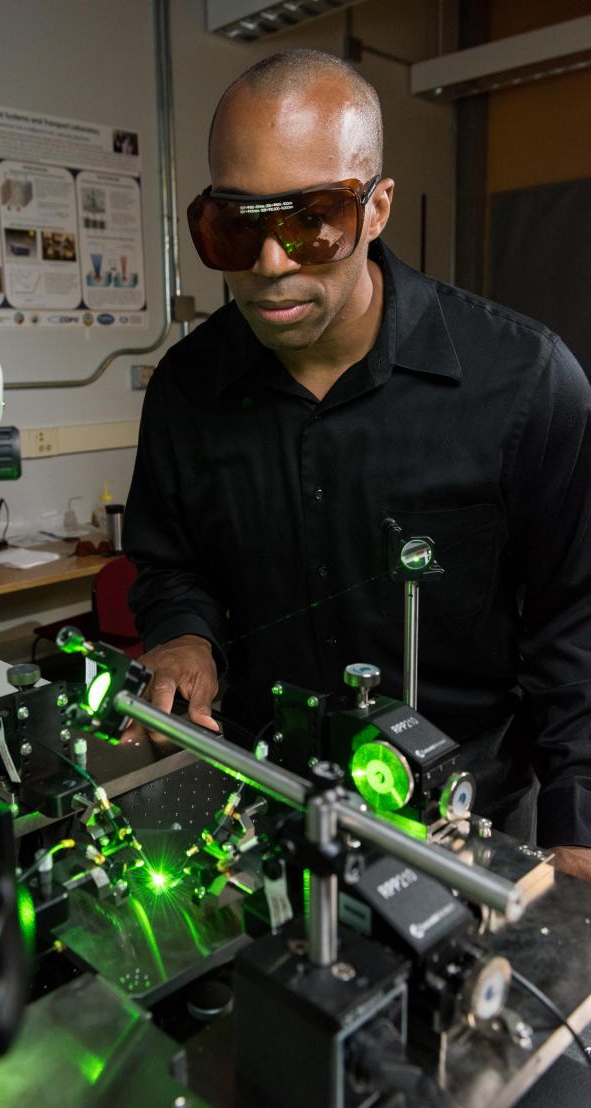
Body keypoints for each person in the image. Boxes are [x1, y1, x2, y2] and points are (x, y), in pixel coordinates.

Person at [123, 50, 591, 879]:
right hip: (266, 798)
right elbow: (171, 564)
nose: (271, 265)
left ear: (376, 209)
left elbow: (577, 621)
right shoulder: (187, 390)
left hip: (469, 818)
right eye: (236, 225)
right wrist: (182, 635)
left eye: (312, 221)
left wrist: (580, 818)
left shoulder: (524, 382)